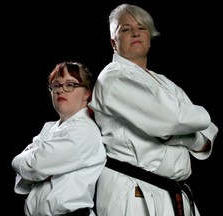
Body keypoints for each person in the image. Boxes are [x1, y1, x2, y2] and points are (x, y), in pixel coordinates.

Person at [88, 3, 218, 216]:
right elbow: (173, 120)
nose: (136, 33)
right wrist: (185, 133)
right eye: (126, 29)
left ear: (150, 37)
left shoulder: (164, 82)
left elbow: (208, 133)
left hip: (170, 191)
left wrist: (180, 138)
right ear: (114, 42)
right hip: (131, 190)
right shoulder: (112, 77)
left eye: (142, 27)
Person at [11, 61, 107, 216]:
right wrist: (40, 168)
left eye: (70, 85)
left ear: (87, 93)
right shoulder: (49, 128)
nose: (60, 91)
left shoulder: (84, 131)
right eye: (56, 85)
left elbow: (34, 166)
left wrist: (21, 161)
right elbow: (31, 173)